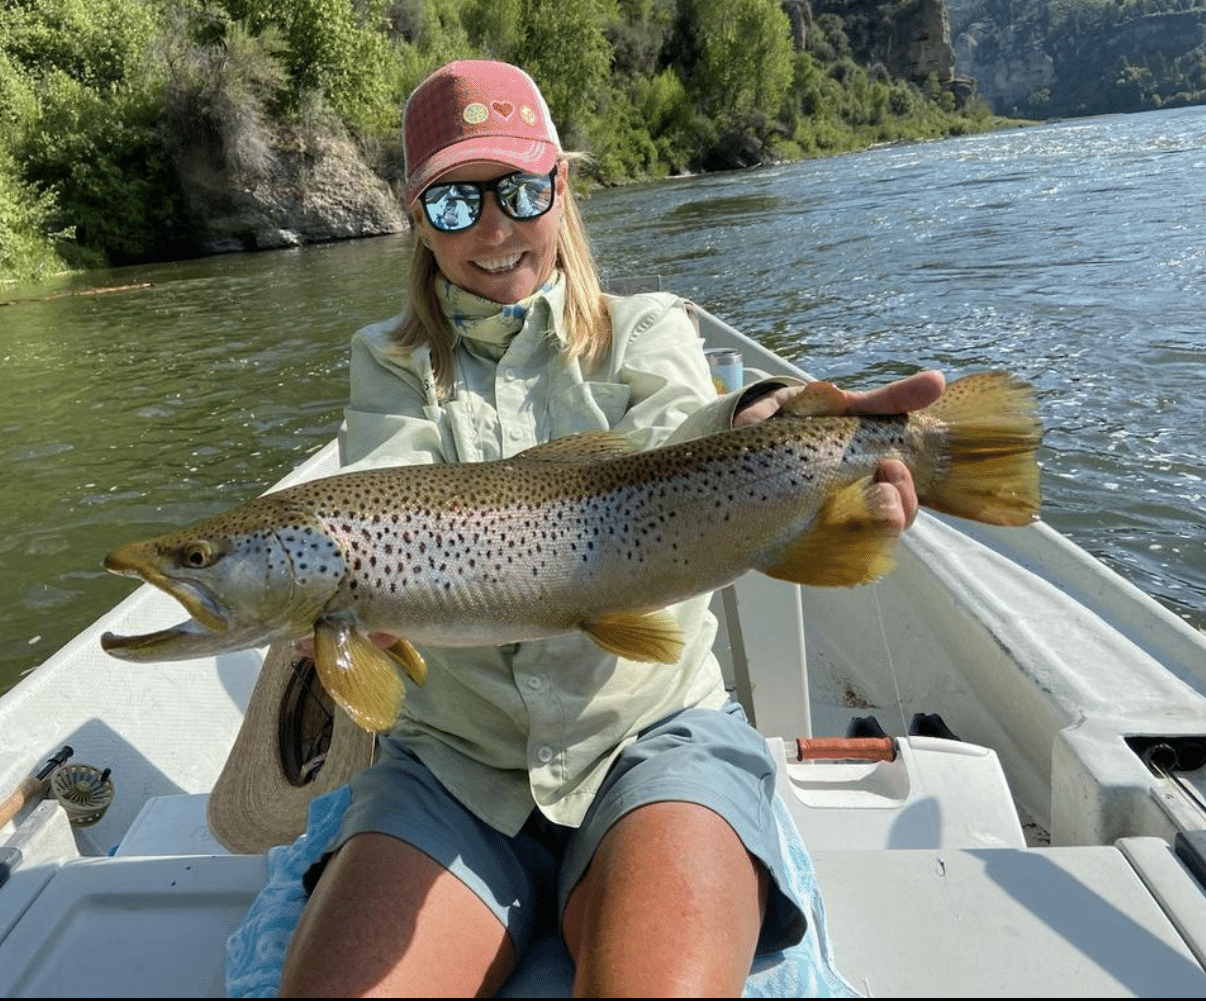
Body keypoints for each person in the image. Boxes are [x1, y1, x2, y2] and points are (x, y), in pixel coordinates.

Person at [278, 59, 943, 997]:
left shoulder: (647, 328)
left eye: (520, 191)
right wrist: (360, 613)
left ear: (561, 187)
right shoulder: (387, 362)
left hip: (655, 739)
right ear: (418, 220)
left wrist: (757, 419)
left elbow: (683, 445)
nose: (496, 229)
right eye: (457, 203)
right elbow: (386, 499)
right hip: (455, 766)